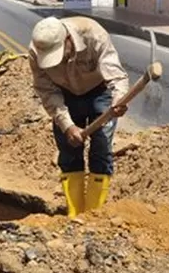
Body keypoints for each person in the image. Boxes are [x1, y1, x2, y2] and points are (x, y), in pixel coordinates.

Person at [28, 16, 130, 219]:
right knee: (69, 149)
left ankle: (93, 215)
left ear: (67, 39)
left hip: (99, 91)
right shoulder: (37, 50)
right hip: (64, 94)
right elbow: (47, 92)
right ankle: (74, 215)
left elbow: (116, 74)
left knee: (101, 147)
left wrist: (119, 99)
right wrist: (67, 125)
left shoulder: (93, 34)